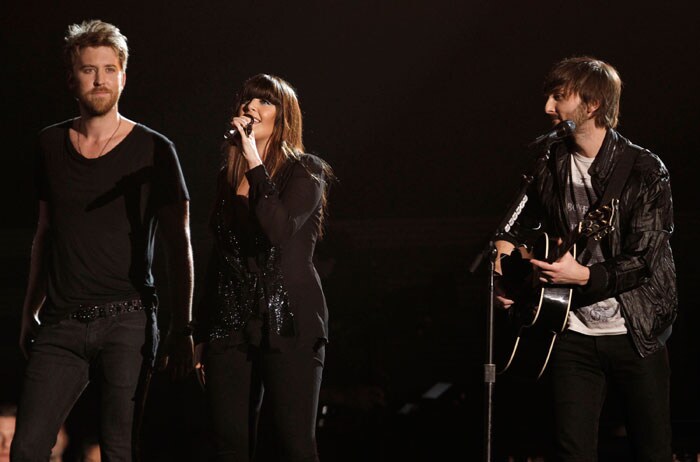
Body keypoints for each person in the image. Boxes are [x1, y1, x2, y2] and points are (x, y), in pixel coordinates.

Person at [12, 19, 195, 461]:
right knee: (27, 449)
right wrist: (28, 311)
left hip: (127, 320)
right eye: (89, 69)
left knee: (118, 449)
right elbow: (44, 233)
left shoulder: (154, 148)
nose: (99, 79)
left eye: (109, 69)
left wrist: (182, 327)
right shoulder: (49, 144)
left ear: (124, 76)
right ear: (71, 78)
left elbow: (179, 241)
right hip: (61, 323)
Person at [494, 56, 677, 460]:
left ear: (592, 104)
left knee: (653, 450)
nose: (547, 107)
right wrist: (502, 270)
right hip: (570, 329)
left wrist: (585, 277)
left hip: (637, 331)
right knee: (570, 450)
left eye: (559, 97)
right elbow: (514, 224)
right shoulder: (549, 160)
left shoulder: (644, 169)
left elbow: (644, 258)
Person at [194, 73, 334, 461]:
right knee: (230, 446)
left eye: (264, 102)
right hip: (229, 322)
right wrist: (200, 330)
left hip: (288, 320)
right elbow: (219, 257)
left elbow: (277, 228)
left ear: (284, 117)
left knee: (294, 445)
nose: (251, 108)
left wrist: (254, 159)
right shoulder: (226, 179)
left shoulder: (306, 171)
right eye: (247, 101)